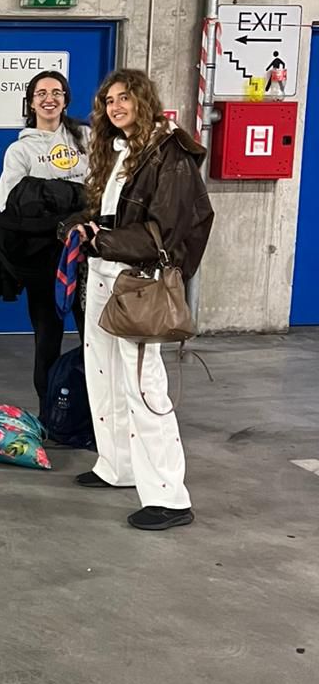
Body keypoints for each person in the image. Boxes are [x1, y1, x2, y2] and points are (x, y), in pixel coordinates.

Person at [71, 69, 213, 531]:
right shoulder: (120, 149)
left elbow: (164, 233)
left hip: (138, 280)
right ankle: (118, 465)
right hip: (104, 274)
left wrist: (101, 241)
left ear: (143, 100)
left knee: (143, 385)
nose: (115, 107)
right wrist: (82, 227)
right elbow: (113, 214)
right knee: (103, 374)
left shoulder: (169, 153)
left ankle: (169, 496)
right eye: (108, 101)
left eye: (124, 98)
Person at [0, 70, 90, 402]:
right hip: (44, 260)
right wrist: (73, 197)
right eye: (41, 93)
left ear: (66, 100)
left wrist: (43, 193)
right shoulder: (19, 150)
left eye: (57, 92)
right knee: (47, 339)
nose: (50, 99)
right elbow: (8, 202)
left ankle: (94, 413)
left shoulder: (86, 138)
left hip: (89, 255)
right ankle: (48, 412)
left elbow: (102, 189)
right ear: (31, 103)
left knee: (94, 338)